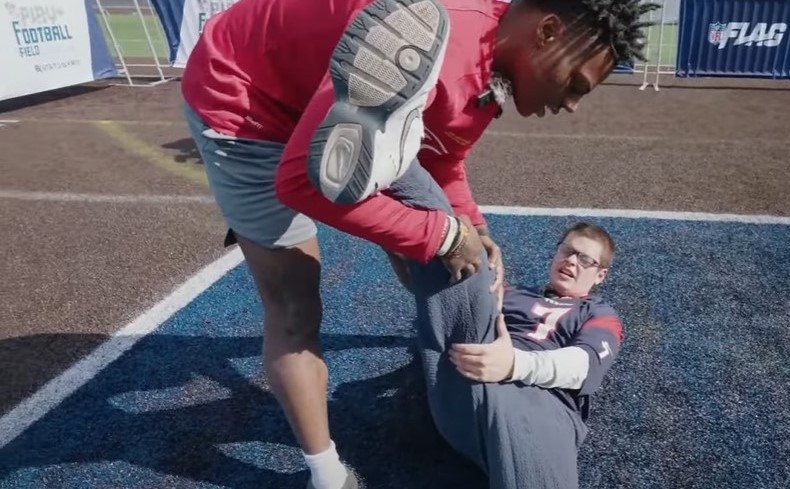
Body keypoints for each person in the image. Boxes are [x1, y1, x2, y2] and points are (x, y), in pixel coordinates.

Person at [180, 0, 654, 487]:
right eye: (576, 83)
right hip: (247, 96)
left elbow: (443, 157)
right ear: (548, 31)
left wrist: (474, 229)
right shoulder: (433, 40)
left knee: (445, 256)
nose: (572, 104)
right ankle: (327, 476)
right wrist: (442, 235)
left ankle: (442, 350)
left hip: (331, 93)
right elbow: (300, 183)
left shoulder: (491, 61)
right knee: (295, 306)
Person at [387, 193, 623, 488]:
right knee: (466, 259)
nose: (572, 261)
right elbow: (449, 303)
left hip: (538, 398)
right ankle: (402, 197)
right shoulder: (513, 291)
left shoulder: (599, 313)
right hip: (466, 370)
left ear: (600, 275)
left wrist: (513, 364)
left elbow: (585, 366)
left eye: (585, 259)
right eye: (567, 250)